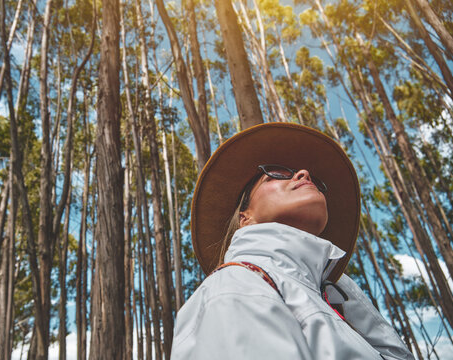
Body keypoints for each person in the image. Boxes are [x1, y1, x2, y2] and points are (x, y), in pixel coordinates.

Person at [171, 123, 414, 359]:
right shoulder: (237, 284)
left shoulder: (336, 297)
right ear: (245, 218)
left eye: (317, 182)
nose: (304, 173)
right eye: (275, 173)